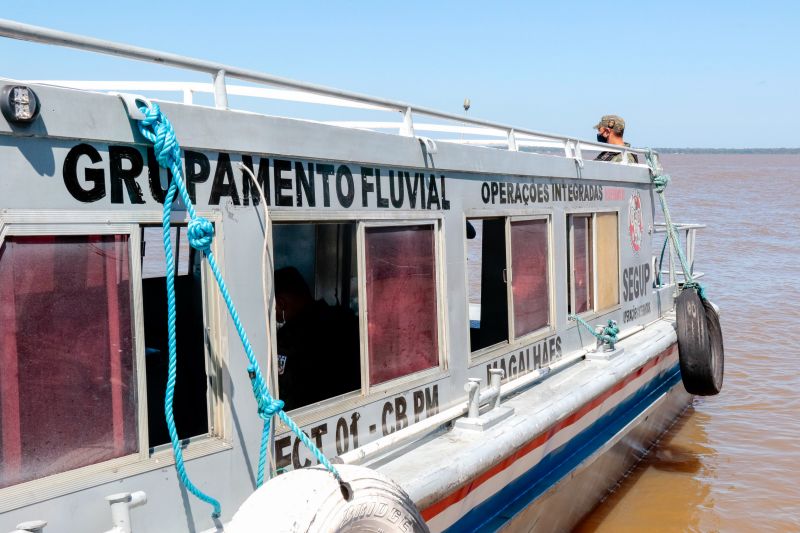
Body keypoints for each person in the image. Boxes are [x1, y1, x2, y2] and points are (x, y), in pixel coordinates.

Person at [274, 266, 360, 411]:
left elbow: (285, 395)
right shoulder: (346, 320)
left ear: (281, 303)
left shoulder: (287, 340)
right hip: (350, 408)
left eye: (273, 308)